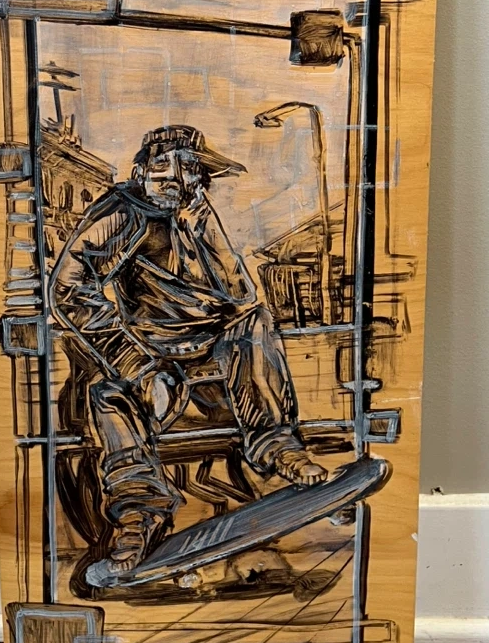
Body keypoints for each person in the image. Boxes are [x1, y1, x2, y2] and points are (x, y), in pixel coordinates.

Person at [49, 124, 328, 587]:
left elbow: (238, 293)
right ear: (142, 171)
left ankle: (277, 446)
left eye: (190, 169)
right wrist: (137, 365)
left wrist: (199, 232)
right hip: (150, 351)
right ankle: (138, 513)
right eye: (164, 167)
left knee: (254, 324)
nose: (177, 179)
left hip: (209, 349)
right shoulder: (122, 214)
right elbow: (69, 289)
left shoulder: (196, 210)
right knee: (107, 393)